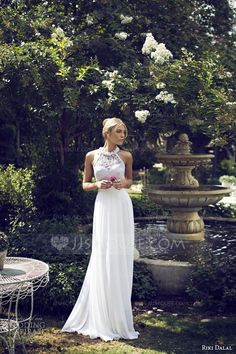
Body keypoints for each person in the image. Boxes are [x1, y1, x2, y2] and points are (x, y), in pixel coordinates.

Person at [62, 117, 140, 341]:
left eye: (124, 132)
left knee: (119, 254)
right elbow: (85, 184)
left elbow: (129, 182)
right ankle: (101, 314)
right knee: (102, 254)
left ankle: (118, 317)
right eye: (119, 131)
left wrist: (120, 183)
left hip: (121, 206)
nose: (123, 135)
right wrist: (97, 184)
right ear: (107, 133)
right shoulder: (91, 156)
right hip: (103, 206)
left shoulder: (126, 156)